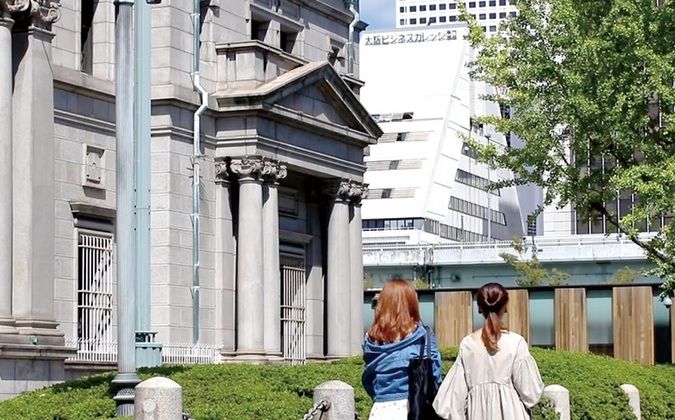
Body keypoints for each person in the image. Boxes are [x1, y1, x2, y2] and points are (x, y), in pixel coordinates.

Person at [433, 283, 544, 420]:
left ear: (480, 308)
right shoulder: (516, 342)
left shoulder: (468, 344)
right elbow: (531, 393)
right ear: (505, 307)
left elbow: (453, 399)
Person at [362, 279, 443, 420]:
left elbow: (368, 379)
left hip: (380, 410)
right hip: (413, 409)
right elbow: (434, 374)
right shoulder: (423, 336)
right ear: (412, 303)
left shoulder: (371, 339)